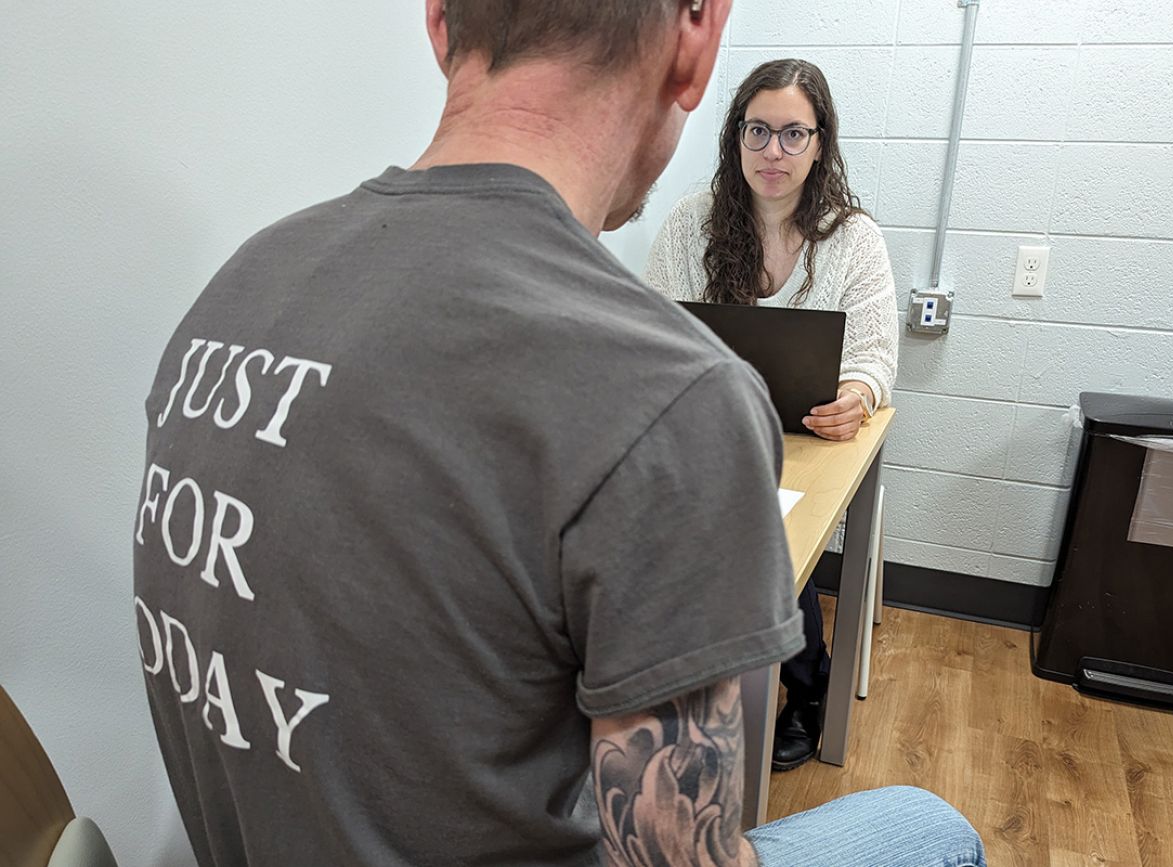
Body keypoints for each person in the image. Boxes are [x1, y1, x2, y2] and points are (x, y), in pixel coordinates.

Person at [134, 1, 983, 864]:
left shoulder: (239, 286)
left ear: (438, 25)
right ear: (697, 41)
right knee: (934, 826)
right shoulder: (674, 397)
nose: (774, 152)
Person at [645, 58, 900, 772]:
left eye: (794, 134)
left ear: (821, 142)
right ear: (735, 137)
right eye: (758, 131)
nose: (773, 152)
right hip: (705, 429)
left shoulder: (853, 238)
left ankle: (806, 684)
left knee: (766, 526)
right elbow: (655, 332)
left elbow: (878, 355)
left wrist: (858, 394)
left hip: (806, 438)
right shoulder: (690, 223)